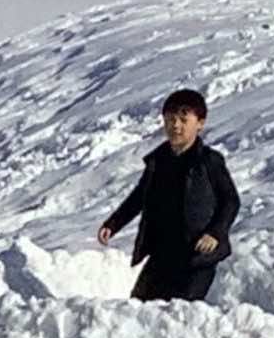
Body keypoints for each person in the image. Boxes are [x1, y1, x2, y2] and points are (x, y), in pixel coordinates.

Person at [96, 88, 239, 303]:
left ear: (200, 123)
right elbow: (138, 198)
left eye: (183, 119)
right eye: (170, 119)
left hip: (197, 255)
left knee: (179, 312)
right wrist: (113, 224)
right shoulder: (159, 161)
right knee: (137, 308)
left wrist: (215, 233)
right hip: (162, 253)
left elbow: (230, 201)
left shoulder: (209, 161)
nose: (176, 126)